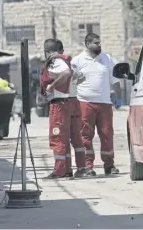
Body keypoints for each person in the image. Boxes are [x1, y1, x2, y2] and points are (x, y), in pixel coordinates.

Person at [71, 33, 120, 176]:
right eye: (96, 43)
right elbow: (71, 82)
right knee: (85, 136)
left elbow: (115, 80)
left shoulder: (107, 59)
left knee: (107, 134)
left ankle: (109, 165)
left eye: (100, 43)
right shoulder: (78, 61)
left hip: (105, 103)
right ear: (87, 44)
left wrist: (118, 97)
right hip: (85, 103)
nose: (99, 45)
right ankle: (87, 166)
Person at [39, 38, 86, 179]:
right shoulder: (68, 61)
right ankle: (79, 168)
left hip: (60, 104)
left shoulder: (55, 61)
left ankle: (60, 171)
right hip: (72, 101)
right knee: (75, 137)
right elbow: (80, 77)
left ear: (47, 51)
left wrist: (51, 86)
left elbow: (65, 73)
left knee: (58, 137)